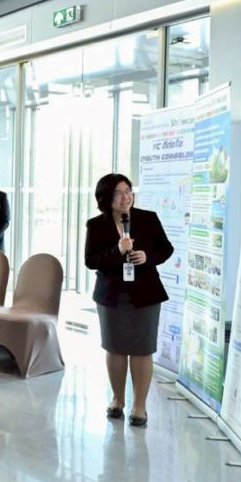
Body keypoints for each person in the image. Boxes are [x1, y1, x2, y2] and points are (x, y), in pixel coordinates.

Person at [84, 173, 173, 428]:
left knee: (142, 348)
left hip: (145, 293)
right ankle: (118, 400)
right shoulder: (96, 225)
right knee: (115, 347)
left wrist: (147, 257)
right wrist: (118, 250)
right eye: (119, 193)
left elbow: (166, 249)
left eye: (128, 191)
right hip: (112, 295)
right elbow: (91, 260)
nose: (126, 197)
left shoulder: (148, 218)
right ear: (106, 197)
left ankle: (139, 406)